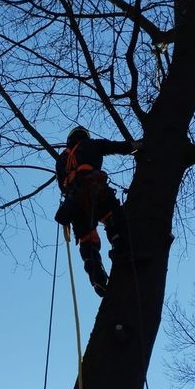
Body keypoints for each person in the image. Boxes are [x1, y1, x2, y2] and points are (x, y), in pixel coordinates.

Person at [55, 125, 138, 296]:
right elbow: (117, 147)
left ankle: (97, 278)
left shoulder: (61, 160)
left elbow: (62, 186)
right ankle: (120, 247)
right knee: (112, 216)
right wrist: (138, 146)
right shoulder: (91, 145)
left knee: (87, 239)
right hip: (94, 187)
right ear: (84, 137)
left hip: (75, 201)